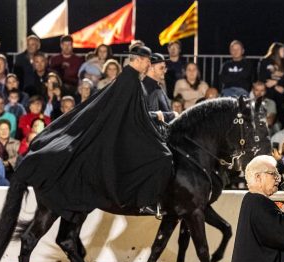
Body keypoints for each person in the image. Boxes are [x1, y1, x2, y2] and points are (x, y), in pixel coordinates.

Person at [15, 45, 173, 218]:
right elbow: (133, 114)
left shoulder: (130, 79)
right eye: (148, 61)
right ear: (139, 60)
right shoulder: (130, 80)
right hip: (126, 134)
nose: (148, 65)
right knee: (162, 157)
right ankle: (146, 202)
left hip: (129, 130)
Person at [143, 53, 178, 131]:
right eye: (161, 68)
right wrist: (173, 115)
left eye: (165, 68)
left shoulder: (157, 86)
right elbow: (150, 115)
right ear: (151, 68)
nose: (164, 71)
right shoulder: (147, 88)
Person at [258, 42, 284, 123]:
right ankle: (271, 122)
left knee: (280, 94)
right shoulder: (265, 61)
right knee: (271, 94)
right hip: (268, 89)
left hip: (280, 89)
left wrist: (277, 83)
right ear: (277, 51)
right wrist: (275, 85)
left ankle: (279, 123)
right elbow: (262, 78)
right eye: (283, 50)